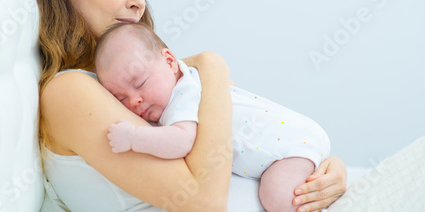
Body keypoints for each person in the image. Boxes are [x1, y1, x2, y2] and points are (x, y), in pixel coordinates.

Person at [31, 0, 347, 212]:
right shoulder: (69, 91)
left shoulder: (139, 81)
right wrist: (212, 65)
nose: (138, 2)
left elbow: (243, 137)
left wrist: (318, 166)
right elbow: (205, 203)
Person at [94, 22, 331, 212]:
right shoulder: (191, 82)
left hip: (288, 147)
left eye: (140, 83)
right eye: (121, 98)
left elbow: (181, 141)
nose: (134, 100)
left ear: (169, 62)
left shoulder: (183, 94)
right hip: (296, 135)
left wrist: (135, 137)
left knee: (278, 198)